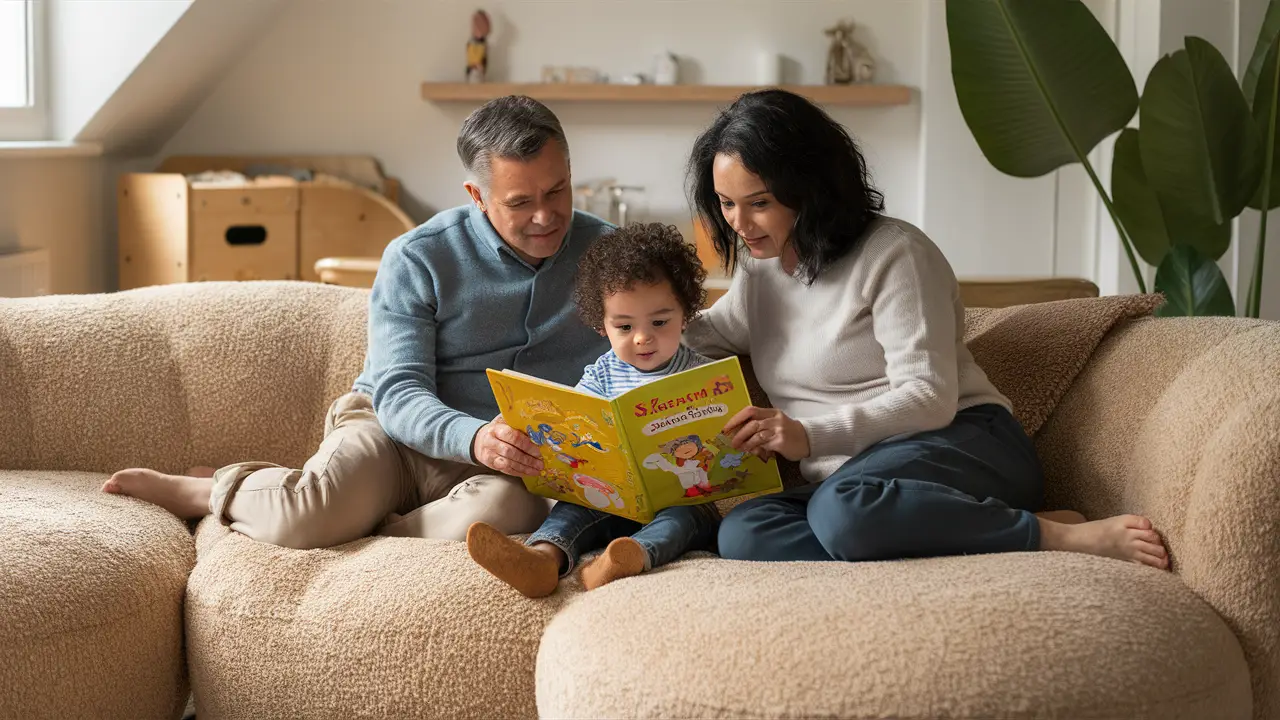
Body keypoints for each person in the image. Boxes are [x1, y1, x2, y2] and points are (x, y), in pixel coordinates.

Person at [684, 89, 1170, 570]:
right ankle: (967, 528)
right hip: (856, 482)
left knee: (843, 511)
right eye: (726, 203)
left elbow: (929, 397)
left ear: (808, 187)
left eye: (759, 202)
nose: (740, 223)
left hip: (964, 444)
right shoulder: (758, 272)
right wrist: (632, 331)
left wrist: (808, 435)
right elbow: (703, 334)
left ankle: (1050, 533)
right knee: (746, 531)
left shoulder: (895, 253)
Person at [102, 95, 613, 549]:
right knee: (307, 516)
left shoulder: (614, 256)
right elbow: (400, 393)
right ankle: (208, 490)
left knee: (511, 512)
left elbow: (666, 332)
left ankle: (370, 532)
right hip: (394, 435)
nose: (545, 216)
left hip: (508, 462)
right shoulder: (418, 257)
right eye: (520, 203)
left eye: (558, 191)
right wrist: (475, 437)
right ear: (476, 197)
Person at [465, 223, 721, 598]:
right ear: (602, 325)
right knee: (573, 508)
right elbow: (570, 420)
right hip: (614, 502)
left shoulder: (704, 375)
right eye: (624, 326)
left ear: (686, 313)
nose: (642, 337)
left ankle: (627, 558)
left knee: (683, 519)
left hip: (685, 501)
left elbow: (727, 440)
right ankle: (542, 559)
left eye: (660, 322)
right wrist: (527, 427)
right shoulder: (601, 373)